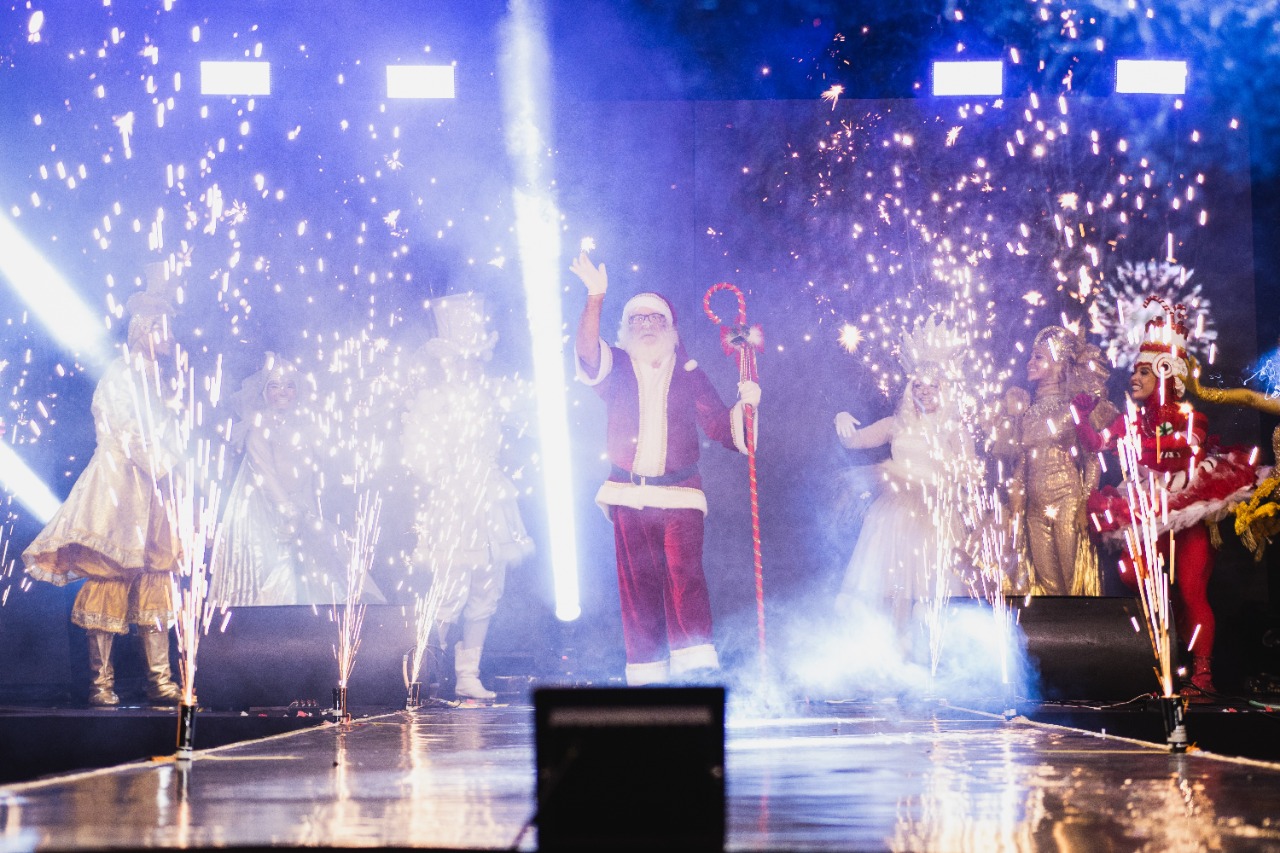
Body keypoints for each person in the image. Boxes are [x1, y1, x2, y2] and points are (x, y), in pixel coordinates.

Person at [571, 252, 759, 686]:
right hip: (627, 496)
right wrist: (596, 298)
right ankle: (648, 681)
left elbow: (721, 427)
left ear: (670, 327)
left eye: (655, 319)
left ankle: (694, 679)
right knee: (637, 593)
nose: (646, 325)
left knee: (684, 582)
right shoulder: (615, 366)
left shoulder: (689, 373)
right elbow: (585, 351)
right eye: (637, 319)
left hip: (679, 497)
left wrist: (746, 406)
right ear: (626, 328)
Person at [1073, 299, 1258, 694]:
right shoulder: (1132, 420)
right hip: (1147, 512)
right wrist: (1081, 414)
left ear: (1162, 372)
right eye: (1135, 370)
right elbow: (1095, 442)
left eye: (1142, 371)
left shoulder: (1191, 416)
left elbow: (1189, 451)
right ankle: (1168, 672)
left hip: (1186, 507)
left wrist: (1139, 446)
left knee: (1191, 589)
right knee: (1146, 585)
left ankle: (1203, 677)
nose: (1133, 379)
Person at [23, 261, 184, 706]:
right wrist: (167, 461)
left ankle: (160, 680)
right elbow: (131, 433)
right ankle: (100, 684)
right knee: (110, 576)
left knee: (155, 576)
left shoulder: (157, 380)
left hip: (151, 490)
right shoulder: (122, 375)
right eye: (161, 331)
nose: (168, 340)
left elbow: (165, 432)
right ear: (143, 332)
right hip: (120, 489)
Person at [402, 292, 534, 700]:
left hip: (490, 498)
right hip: (453, 499)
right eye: (460, 357)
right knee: (450, 587)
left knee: (487, 586)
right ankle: (431, 668)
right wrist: (447, 472)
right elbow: (415, 451)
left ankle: (467, 673)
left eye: (474, 356)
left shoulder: (492, 395)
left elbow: (519, 419)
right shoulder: (432, 400)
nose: (468, 364)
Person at [833, 317, 972, 657]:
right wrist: (842, 422)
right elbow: (856, 442)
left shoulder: (953, 428)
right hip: (895, 514)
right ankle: (894, 656)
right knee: (893, 588)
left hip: (933, 515)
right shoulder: (897, 424)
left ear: (944, 389)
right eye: (919, 386)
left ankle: (929, 658)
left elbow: (967, 471)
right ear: (911, 389)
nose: (925, 392)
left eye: (932, 386)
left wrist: (937, 482)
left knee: (928, 592)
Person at [210, 353, 352, 607]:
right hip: (263, 508)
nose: (283, 392)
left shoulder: (306, 424)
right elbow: (263, 470)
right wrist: (288, 509)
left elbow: (321, 459)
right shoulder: (259, 424)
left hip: (301, 505)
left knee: (315, 569)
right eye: (275, 386)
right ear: (265, 392)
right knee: (273, 566)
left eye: (289, 386)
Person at [1001, 326, 1115, 595]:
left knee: (1072, 581)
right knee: (1047, 586)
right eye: (1031, 356)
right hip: (1034, 509)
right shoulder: (1026, 413)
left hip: (1067, 499)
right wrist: (1015, 507)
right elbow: (1022, 464)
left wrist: (1084, 504)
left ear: (1059, 365)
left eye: (1039, 357)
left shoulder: (1075, 407)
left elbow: (1092, 459)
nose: (1030, 362)